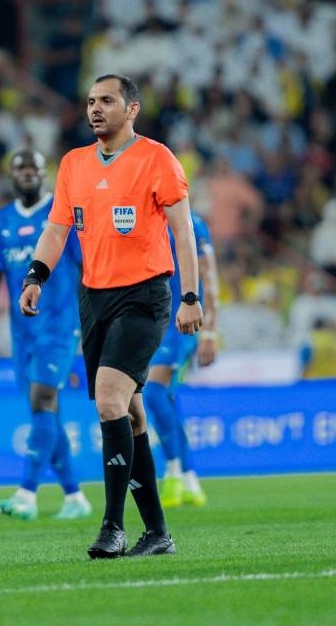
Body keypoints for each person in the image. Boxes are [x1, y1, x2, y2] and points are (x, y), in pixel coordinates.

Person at [19, 74, 203, 559]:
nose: (95, 109)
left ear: (132, 108)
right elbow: (57, 230)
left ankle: (112, 527)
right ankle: (158, 532)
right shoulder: (74, 164)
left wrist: (190, 295)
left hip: (145, 295)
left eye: (106, 101)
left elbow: (183, 232)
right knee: (131, 410)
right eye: (90, 101)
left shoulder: (157, 158)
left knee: (107, 400)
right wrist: (35, 275)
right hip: (94, 297)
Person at [0, 147, 92, 521]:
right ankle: (75, 496)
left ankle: (26, 494)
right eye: (21, 167)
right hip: (24, 333)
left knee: (41, 399)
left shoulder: (63, 216)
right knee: (45, 411)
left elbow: (87, 269)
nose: (28, 172)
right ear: (10, 176)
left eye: (35, 166)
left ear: (45, 174)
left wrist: (90, 318)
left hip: (59, 325)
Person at [145, 210, 219, 508]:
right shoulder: (143, 218)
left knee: (152, 391)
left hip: (183, 320)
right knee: (167, 398)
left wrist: (211, 333)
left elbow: (209, 276)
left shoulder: (192, 221)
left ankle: (173, 469)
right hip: (153, 321)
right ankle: (189, 477)